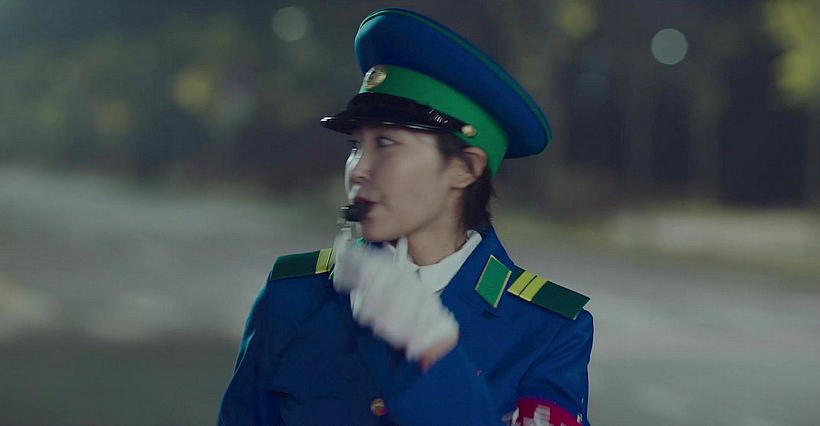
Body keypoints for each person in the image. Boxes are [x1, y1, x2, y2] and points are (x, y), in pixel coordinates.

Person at [218, 8, 592, 426]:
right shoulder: (293, 296)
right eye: (355, 146)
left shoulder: (547, 330)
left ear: (465, 168)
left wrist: (431, 347)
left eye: (385, 143)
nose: (358, 169)